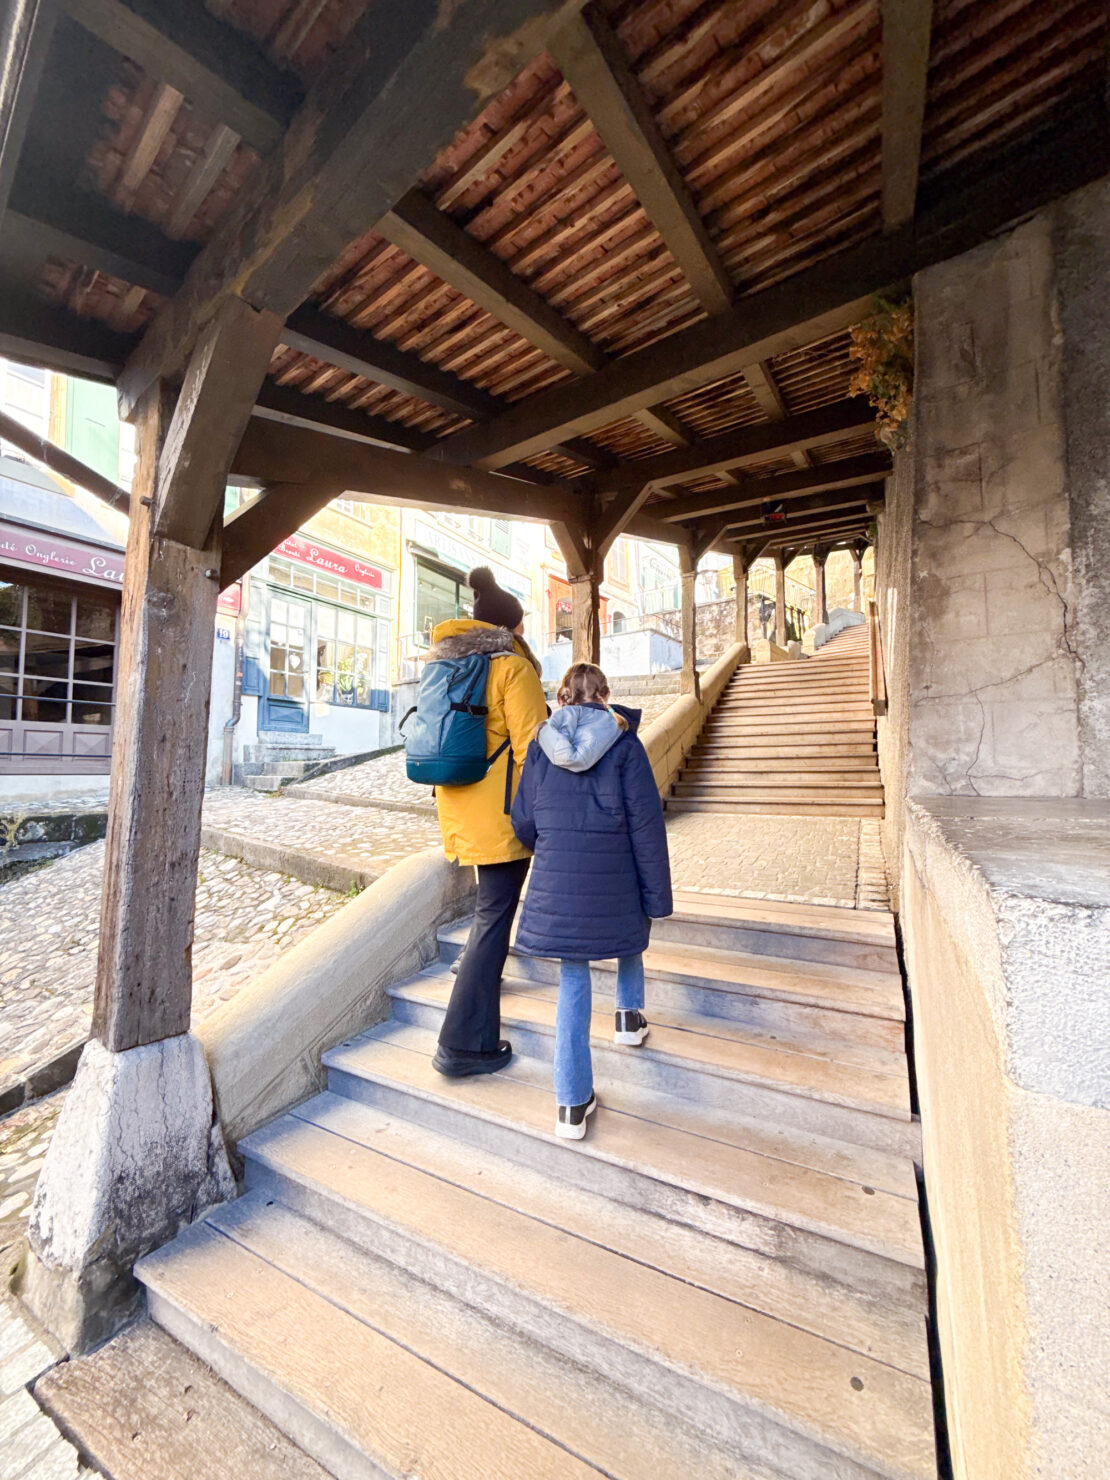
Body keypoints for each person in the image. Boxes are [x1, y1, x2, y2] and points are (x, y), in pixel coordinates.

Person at [511, 662, 672, 1139]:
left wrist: (557, 843)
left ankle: (571, 1103)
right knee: (630, 919)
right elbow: (646, 825)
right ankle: (627, 1017)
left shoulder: (541, 747)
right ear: (604, 695)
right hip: (614, 865)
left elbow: (523, 820)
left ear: (562, 697)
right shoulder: (625, 744)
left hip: (560, 872)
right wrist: (657, 895)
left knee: (573, 979)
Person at [428, 567, 548, 1079]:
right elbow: (534, 748)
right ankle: (462, 1044)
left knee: (490, 913)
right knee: (493, 917)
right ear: (511, 628)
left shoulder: (450, 665)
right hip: (503, 814)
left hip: (459, 809)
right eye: (521, 626)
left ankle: (477, 986)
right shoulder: (512, 669)